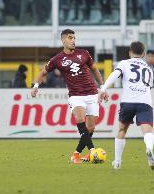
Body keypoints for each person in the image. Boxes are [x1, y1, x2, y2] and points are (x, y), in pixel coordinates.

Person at [31, 29, 108, 164]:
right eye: (70, 38)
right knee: (79, 118)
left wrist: (103, 88)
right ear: (63, 40)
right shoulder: (57, 59)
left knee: (90, 128)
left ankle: (76, 154)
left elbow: (95, 69)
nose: (73, 40)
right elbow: (43, 72)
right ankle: (92, 151)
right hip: (76, 95)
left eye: (74, 38)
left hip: (92, 93)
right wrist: (36, 86)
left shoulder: (84, 53)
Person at [98, 41, 154, 170]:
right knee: (147, 131)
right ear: (144, 53)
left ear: (130, 52)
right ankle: (149, 148)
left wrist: (103, 88)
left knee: (122, 130)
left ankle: (117, 162)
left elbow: (115, 75)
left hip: (128, 101)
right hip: (144, 102)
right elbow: (149, 87)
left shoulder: (124, 63)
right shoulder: (148, 69)